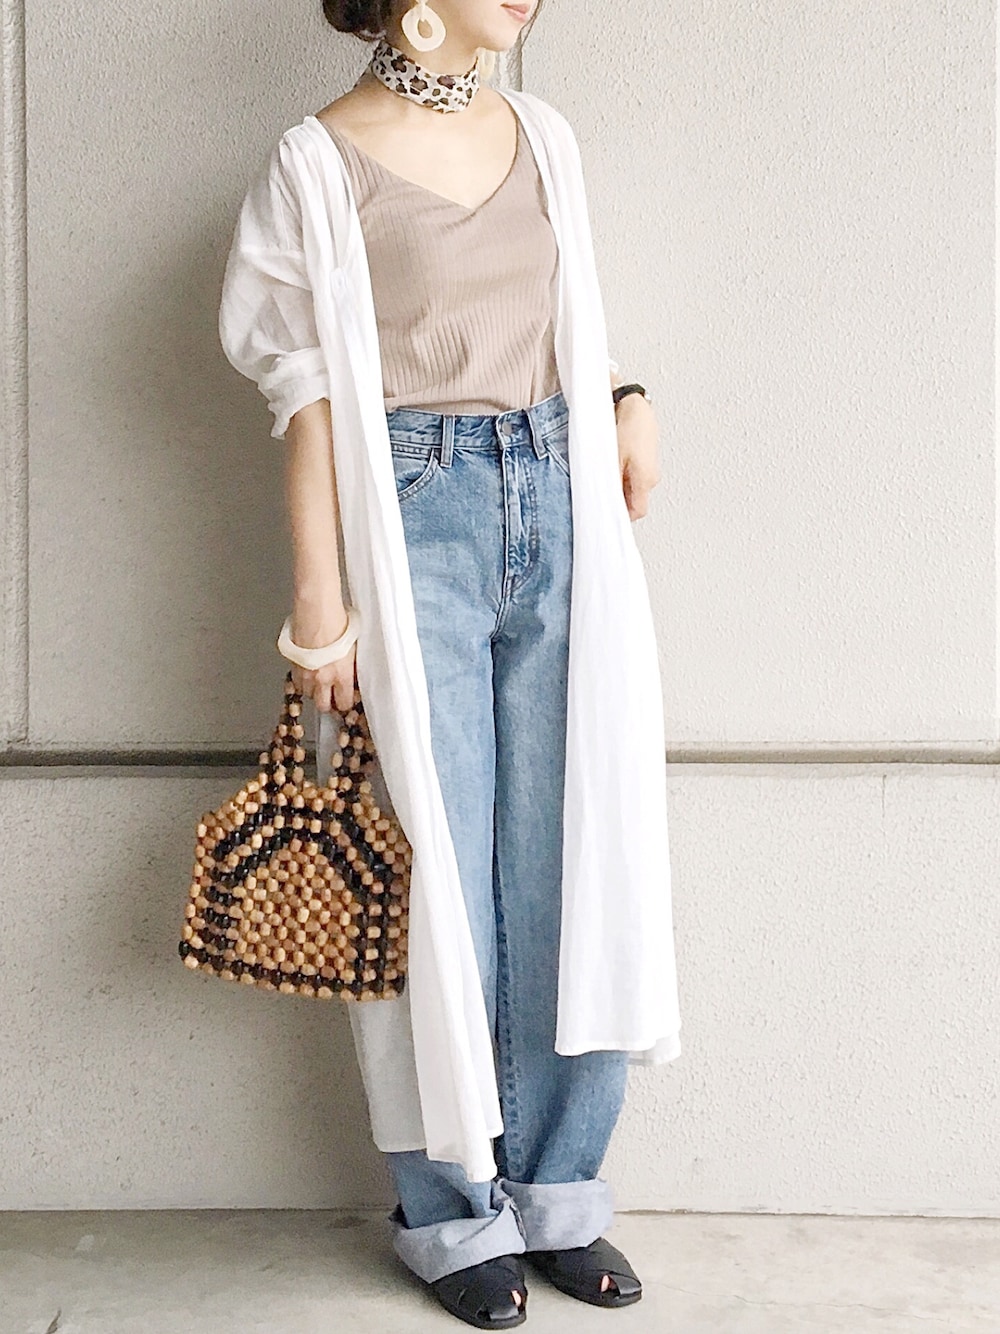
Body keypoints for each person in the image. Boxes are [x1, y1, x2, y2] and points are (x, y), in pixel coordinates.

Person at [218, 1, 682, 1327]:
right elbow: (307, 395)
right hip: (414, 514)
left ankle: (561, 1189)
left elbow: (564, 319)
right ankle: (450, 1208)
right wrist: (320, 608)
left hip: (565, 502)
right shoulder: (316, 163)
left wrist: (624, 397)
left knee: (569, 850)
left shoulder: (544, 133)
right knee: (430, 872)